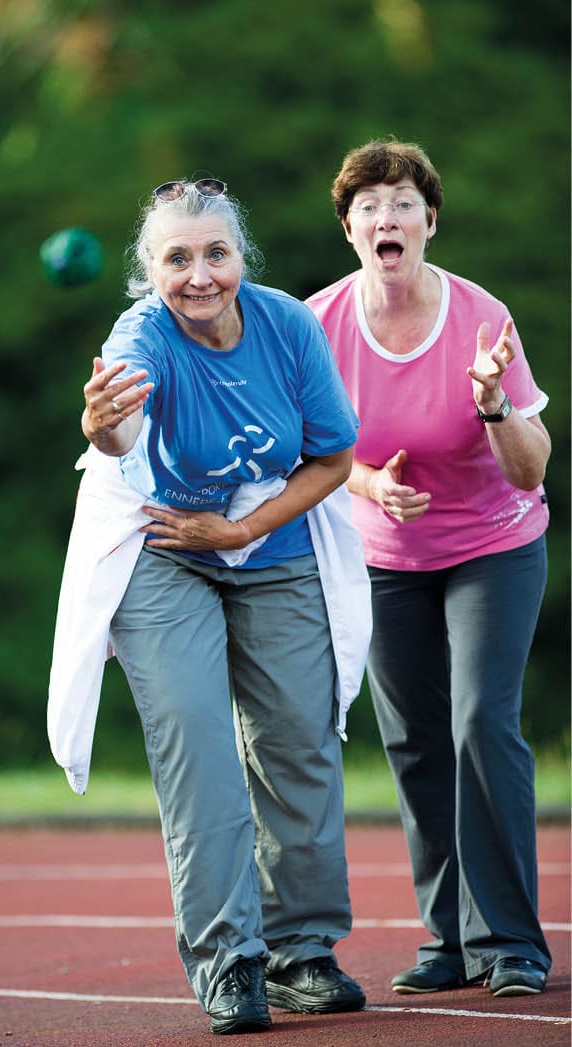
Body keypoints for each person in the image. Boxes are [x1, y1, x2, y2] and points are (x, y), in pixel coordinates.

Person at [48, 177, 370, 1034]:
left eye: (214, 253)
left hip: (268, 540)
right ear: (149, 270)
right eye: (176, 258)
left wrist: (241, 531)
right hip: (163, 547)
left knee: (296, 743)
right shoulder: (139, 333)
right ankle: (229, 961)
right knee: (198, 750)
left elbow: (333, 459)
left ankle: (301, 951)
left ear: (240, 258)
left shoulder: (288, 326)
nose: (199, 274)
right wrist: (101, 424)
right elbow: (120, 428)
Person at [306, 139, 552, 999]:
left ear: (429, 221)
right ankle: (448, 937)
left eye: (403, 202)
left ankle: (511, 941)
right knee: (413, 742)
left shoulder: (481, 316)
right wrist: (370, 481)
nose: (387, 216)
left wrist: (490, 403)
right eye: (369, 205)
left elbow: (531, 467)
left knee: (481, 721)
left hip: (494, 543)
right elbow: (311, 454)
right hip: (382, 555)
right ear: (348, 229)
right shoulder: (319, 324)